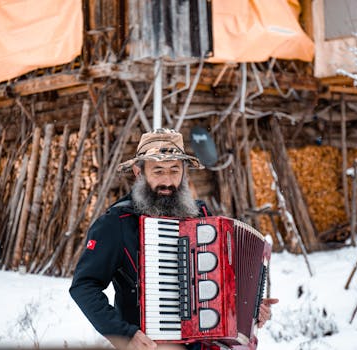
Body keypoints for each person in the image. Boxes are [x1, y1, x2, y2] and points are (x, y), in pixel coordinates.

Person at [70, 128, 278, 350]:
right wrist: (123, 334)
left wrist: (250, 309)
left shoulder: (202, 219)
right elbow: (84, 285)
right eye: (158, 170)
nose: (167, 181)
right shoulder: (117, 223)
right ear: (138, 172)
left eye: (174, 170)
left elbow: (222, 285)